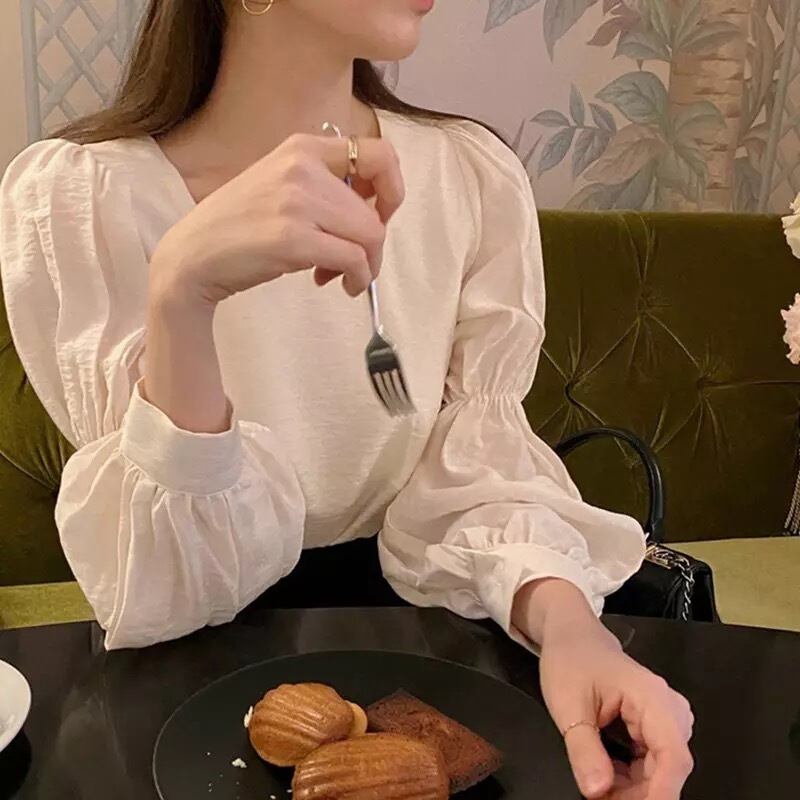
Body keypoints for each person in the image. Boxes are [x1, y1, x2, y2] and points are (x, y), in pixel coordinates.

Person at [0, 0, 694, 796]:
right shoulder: (80, 199)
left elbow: (478, 467)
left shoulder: (468, 175)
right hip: (180, 672)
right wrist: (181, 292)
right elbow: (167, 586)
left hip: (431, 641)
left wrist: (573, 632)